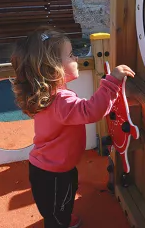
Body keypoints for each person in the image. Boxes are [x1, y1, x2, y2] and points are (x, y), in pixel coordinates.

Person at [10, 26, 135, 228]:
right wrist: (111, 82)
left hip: (50, 167)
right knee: (58, 209)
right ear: (52, 67)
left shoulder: (49, 94)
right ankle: (61, 222)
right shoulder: (60, 99)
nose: (76, 58)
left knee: (62, 202)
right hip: (54, 173)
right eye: (70, 55)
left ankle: (62, 219)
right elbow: (91, 111)